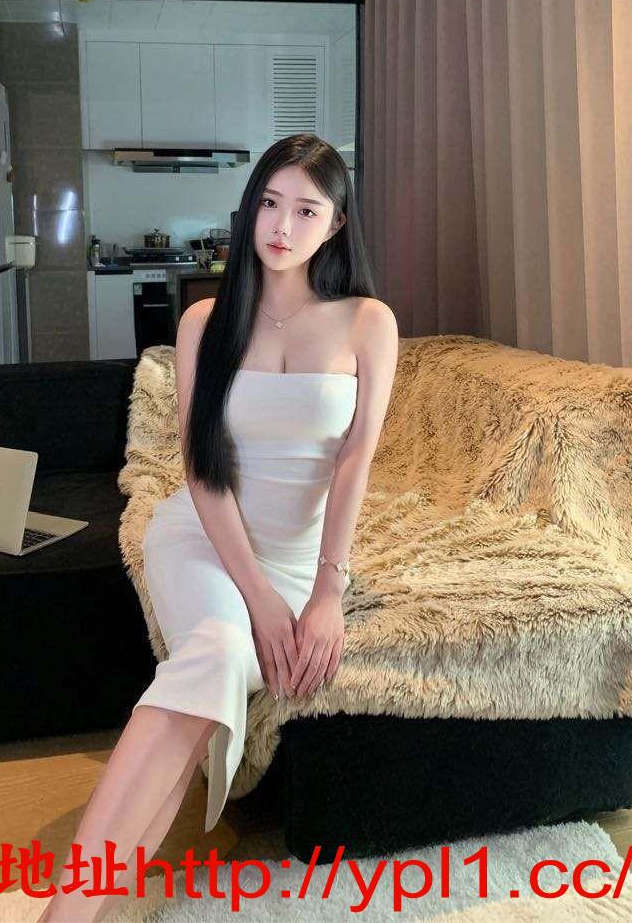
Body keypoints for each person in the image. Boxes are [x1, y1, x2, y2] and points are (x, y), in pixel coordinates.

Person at [37, 132, 399, 922]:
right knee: (222, 650)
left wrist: (326, 593)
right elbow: (204, 468)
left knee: (209, 677)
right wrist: (258, 598)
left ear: (336, 224)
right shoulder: (206, 320)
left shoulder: (367, 322)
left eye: (305, 210)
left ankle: (74, 912)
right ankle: (68, 914)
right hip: (204, 539)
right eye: (268, 203)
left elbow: (354, 463)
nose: (281, 226)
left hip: (300, 559)